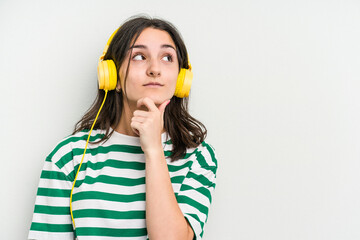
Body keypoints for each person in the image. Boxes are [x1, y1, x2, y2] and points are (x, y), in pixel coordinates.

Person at [28, 15, 218, 240]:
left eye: (167, 57)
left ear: (181, 80)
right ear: (112, 77)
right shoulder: (68, 157)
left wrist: (154, 151)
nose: (155, 69)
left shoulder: (198, 157)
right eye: (139, 56)